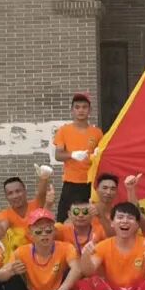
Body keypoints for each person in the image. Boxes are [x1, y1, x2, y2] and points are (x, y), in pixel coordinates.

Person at [53, 93, 103, 222]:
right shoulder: (64, 131)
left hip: (90, 183)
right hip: (71, 182)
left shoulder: (97, 132)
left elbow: (101, 156)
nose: (81, 110)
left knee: (91, 219)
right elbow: (58, 155)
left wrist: (98, 155)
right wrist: (72, 155)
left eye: (84, 107)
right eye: (77, 107)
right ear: (72, 110)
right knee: (64, 219)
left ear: (90, 110)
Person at [0, 168, 52, 241]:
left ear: (25, 191)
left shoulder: (36, 205)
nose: (15, 196)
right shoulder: (5, 214)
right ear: (6, 197)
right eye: (10, 193)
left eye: (18, 191)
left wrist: (44, 178)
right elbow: (1, 227)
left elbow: (41, 194)